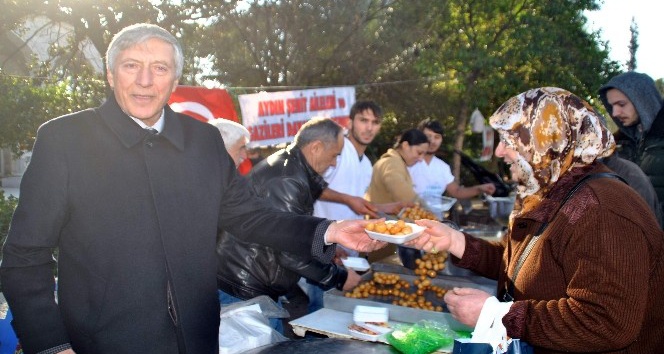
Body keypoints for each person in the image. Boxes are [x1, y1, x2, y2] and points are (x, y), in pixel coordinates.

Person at [0, 23, 384, 354]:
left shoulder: (201, 140)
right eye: (132, 65)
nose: (145, 81)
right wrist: (51, 344)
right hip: (104, 342)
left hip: (197, 339)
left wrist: (328, 231)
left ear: (174, 79)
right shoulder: (65, 140)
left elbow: (251, 216)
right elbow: (23, 257)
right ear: (110, 73)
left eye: (160, 68)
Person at [408, 87, 664, 353]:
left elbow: (605, 321)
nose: (499, 152)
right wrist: (455, 241)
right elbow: (527, 268)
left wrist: (499, 316)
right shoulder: (553, 192)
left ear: (546, 140)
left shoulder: (601, 209)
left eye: (509, 141)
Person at [216, 118, 361, 332]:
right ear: (316, 147)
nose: (333, 163)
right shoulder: (287, 180)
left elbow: (295, 229)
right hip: (245, 290)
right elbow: (289, 250)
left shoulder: (291, 167)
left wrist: (326, 247)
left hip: (250, 285)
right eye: (334, 156)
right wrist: (339, 277)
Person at [306, 101, 404, 313]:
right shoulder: (338, 152)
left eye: (375, 122)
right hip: (323, 245)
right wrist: (347, 200)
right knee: (319, 312)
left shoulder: (367, 163)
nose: (369, 127)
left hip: (349, 253)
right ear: (350, 122)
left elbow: (357, 202)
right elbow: (310, 187)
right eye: (363, 120)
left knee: (340, 313)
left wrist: (387, 208)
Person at [598, 72, 664, 223]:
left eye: (621, 104)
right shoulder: (618, 146)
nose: (615, 113)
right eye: (611, 106)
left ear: (642, 101)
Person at [365, 128, 429, 262]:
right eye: (419, 152)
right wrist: (430, 213)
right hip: (382, 232)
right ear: (405, 145)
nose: (421, 158)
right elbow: (404, 195)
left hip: (384, 231)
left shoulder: (396, 162)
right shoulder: (391, 163)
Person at [408, 118, 496, 209]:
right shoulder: (407, 163)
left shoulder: (442, 167)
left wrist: (480, 188)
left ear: (441, 140)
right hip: (407, 220)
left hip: (435, 219)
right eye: (428, 136)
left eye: (437, 137)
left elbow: (456, 191)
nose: (432, 141)